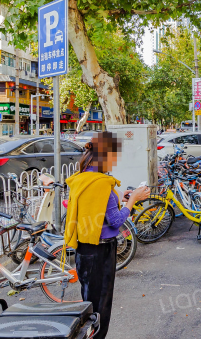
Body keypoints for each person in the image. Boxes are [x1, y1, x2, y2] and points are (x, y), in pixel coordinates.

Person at [64, 132, 150, 339]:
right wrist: (133, 200)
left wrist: (121, 198)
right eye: (114, 155)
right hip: (101, 252)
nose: (116, 160)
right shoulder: (102, 183)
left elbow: (97, 209)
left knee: (89, 304)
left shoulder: (81, 178)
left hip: (83, 250)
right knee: (101, 307)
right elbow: (116, 220)